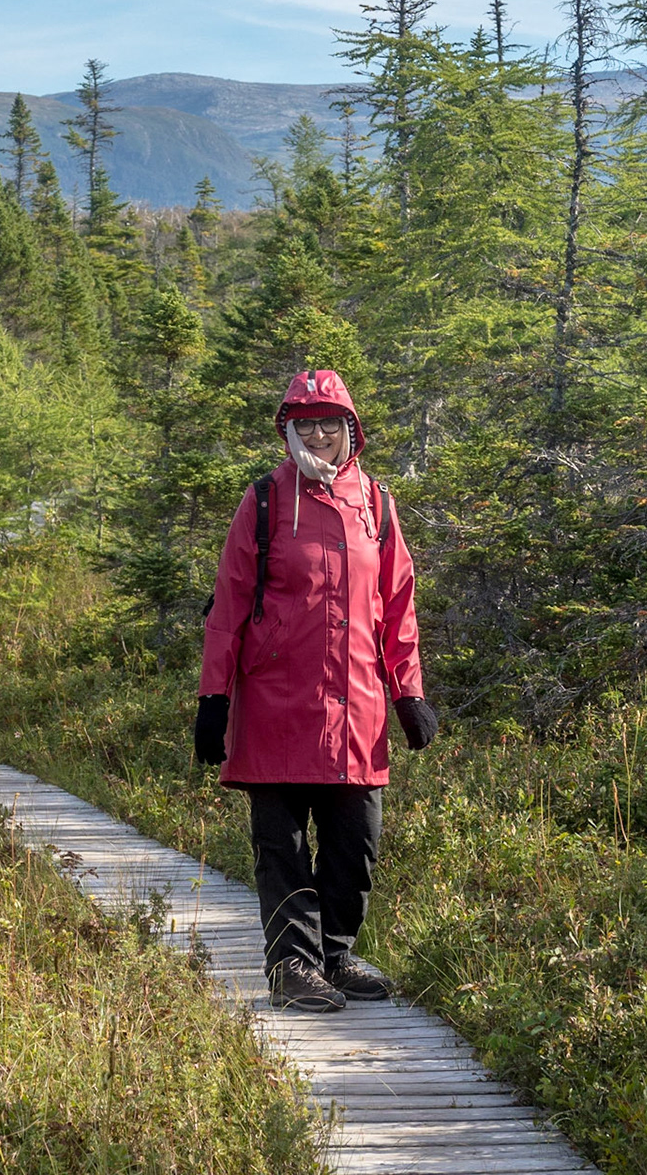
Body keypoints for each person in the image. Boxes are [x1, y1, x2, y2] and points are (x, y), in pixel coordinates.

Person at [193, 369, 438, 1013]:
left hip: (357, 709)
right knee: (284, 847)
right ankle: (293, 968)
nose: (319, 434)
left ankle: (337, 952)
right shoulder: (266, 501)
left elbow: (399, 605)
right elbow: (229, 606)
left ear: (350, 430)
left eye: (330, 423)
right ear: (289, 430)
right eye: (306, 424)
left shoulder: (376, 505)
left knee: (356, 844)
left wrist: (408, 693)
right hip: (275, 706)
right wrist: (213, 700)